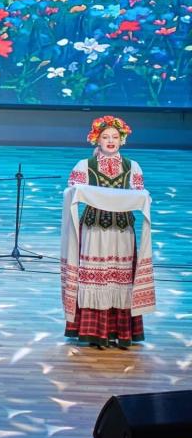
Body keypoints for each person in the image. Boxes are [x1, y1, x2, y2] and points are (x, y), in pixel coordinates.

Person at [62, 116, 154, 349]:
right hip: (94, 231)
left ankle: (120, 332)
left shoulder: (132, 167)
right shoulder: (84, 166)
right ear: (97, 139)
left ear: (122, 140)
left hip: (121, 231)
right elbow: (71, 193)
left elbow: (138, 194)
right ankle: (95, 333)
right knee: (96, 277)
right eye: (105, 137)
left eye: (115, 137)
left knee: (120, 279)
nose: (110, 141)